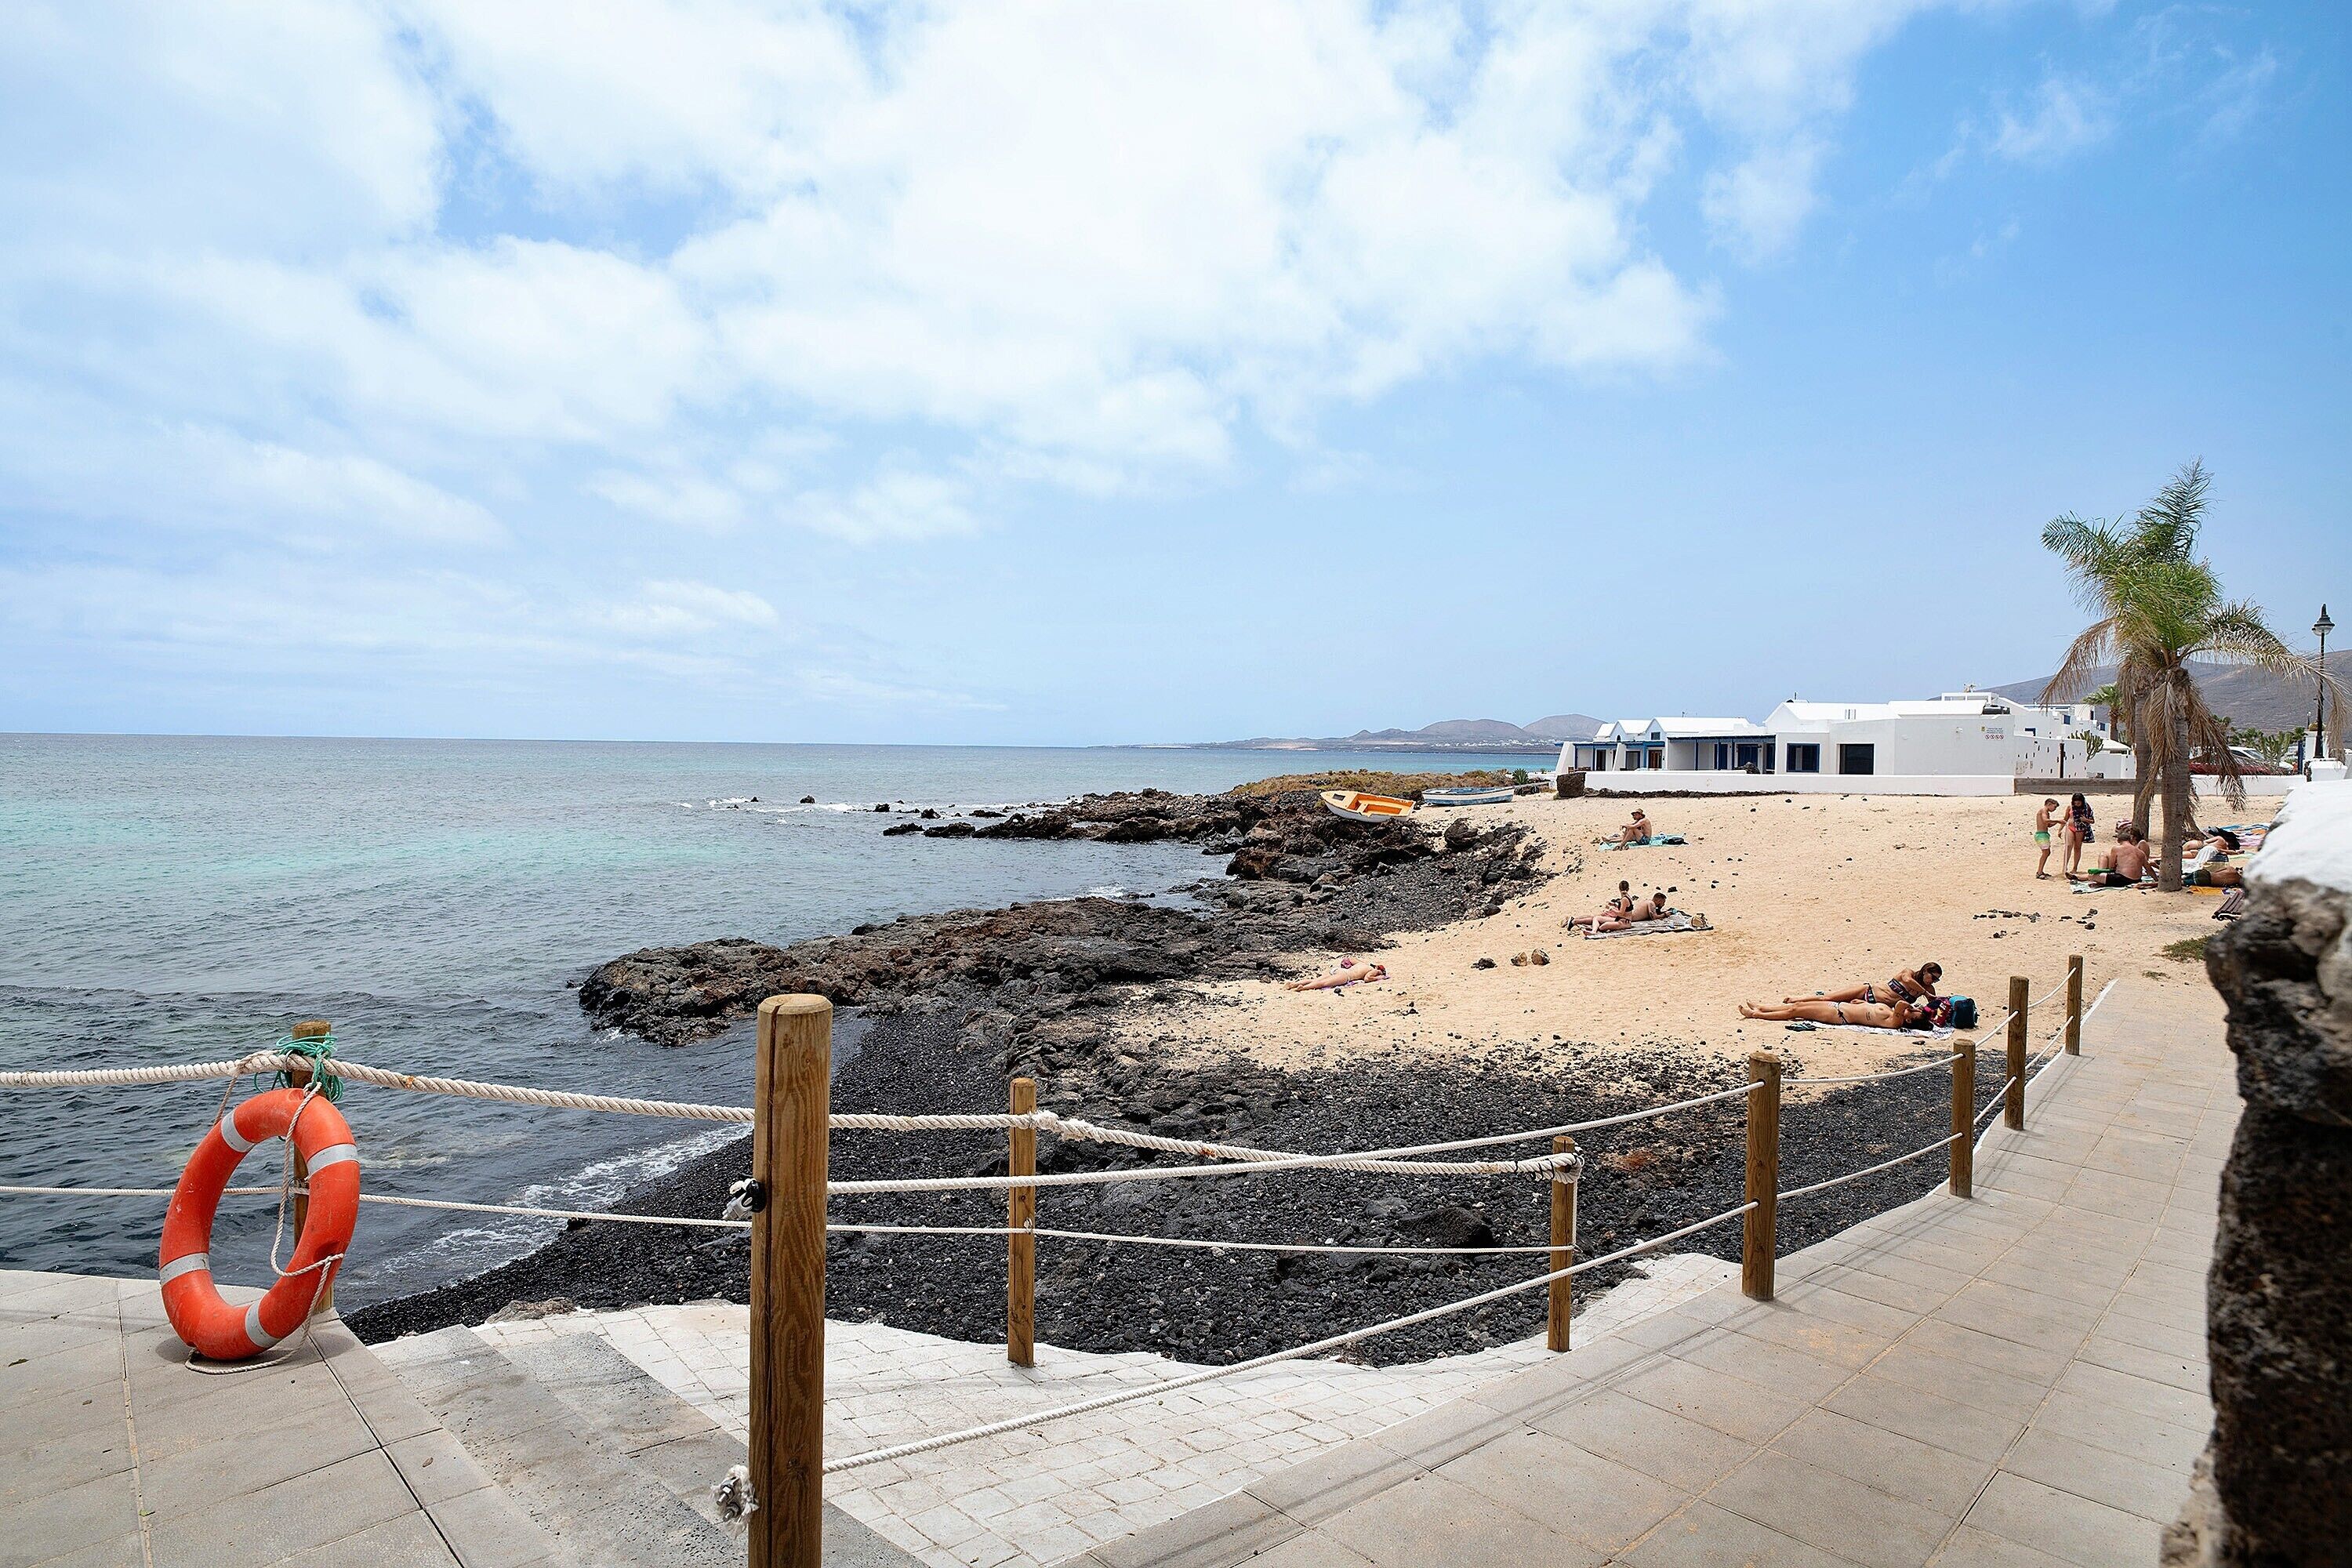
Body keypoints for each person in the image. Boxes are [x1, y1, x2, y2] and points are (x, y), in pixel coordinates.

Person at [1788, 962, 1944, 1008]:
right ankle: (1796, 999)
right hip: (1867, 991)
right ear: (1925, 971)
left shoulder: (1929, 990)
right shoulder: (1908, 973)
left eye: (1936, 980)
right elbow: (1909, 982)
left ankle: (1800, 1005)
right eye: (1933, 977)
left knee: (1834, 1007)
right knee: (1829, 998)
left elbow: (1933, 1007)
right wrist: (1925, 993)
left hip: (1872, 1006)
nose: (1933, 981)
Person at [1740, 996, 1925, 1029]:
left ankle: (1757, 1014)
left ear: (1909, 1020)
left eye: (1913, 1014)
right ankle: (1763, 1008)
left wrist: (1914, 1008)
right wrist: (1862, 1003)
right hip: (1840, 1008)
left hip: (1839, 1015)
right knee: (1798, 1005)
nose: (1911, 1010)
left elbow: (1901, 1004)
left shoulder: (1896, 1021)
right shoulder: (1893, 1014)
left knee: (1795, 1011)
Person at [2071, 822, 2154, 888]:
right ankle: (2079, 877)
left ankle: (2078, 877)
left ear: (2120, 841)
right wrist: (2157, 881)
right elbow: (2149, 869)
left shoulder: (2117, 848)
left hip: (2123, 879)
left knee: (2093, 876)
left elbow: (2111, 867)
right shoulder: (2140, 852)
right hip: (2137, 880)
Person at [1285, 959, 1387, 992]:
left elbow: (1349, 959)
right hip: (1345, 975)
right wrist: (1379, 977)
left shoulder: (1362, 963)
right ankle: (1303, 988)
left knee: (1315, 979)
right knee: (1322, 983)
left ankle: (1293, 984)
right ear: (1378, 969)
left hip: (1337, 970)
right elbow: (1367, 979)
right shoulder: (1373, 970)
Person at [1566, 880, 1635, 930]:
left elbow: (1621, 913)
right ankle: (1575, 921)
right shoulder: (1628, 897)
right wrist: (1614, 905)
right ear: (1628, 889)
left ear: (1619, 889)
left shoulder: (1624, 899)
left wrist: (1611, 908)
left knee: (1600, 924)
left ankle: (1576, 921)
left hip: (1623, 922)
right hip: (1623, 920)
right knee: (1597, 919)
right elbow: (1625, 908)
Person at [1595, 890, 1670, 933]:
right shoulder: (1652, 904)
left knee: (1598, 918)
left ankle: (1593, 926)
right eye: (1663, 902)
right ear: (1659, 900)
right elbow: (1654, 917)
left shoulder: (1648, 902)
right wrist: (1665, 914)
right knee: (1598, 919)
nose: (1663, 904)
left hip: (1625, 914)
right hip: (1627, 918)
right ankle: (1594, 928)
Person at [2060, 793, 2095, 878]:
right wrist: (2060, 829)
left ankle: (2075, 867)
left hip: (2081, 829)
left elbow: (2092, 821)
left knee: (2077, 848)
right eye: (2075, 803)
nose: (2077, 805)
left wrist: (2085, 820)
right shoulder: (2070, 807)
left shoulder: (2087, 808)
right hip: (2070, 827)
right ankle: (2065, 867)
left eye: (2078, 803)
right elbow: (2065, 819)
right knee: (2068, 845)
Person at [2033, 798, 2060, 880]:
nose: (2055, 809)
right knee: (2045, 853)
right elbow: (2045, 821)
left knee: (2047, 852)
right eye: (2054, 807)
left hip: (2044, 834)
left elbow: (2048, 825)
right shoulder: (2043, 811)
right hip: (2041, 835)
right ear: (2049, 804)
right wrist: (2058, 820)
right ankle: (2039, 872)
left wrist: (2058, 822)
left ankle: (2041, 871)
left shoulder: (2046, 812)